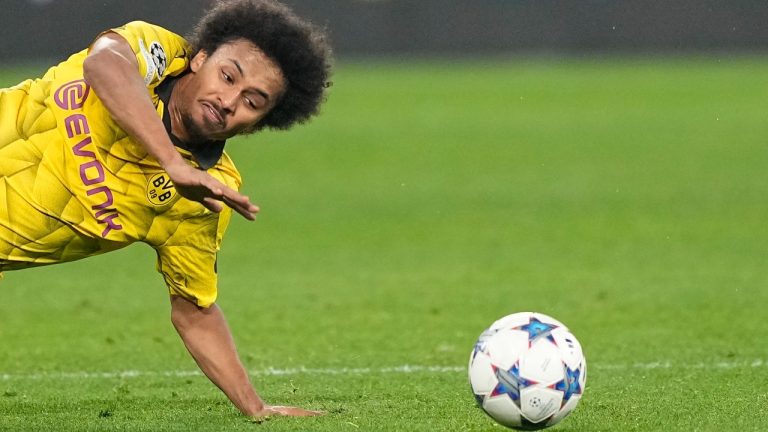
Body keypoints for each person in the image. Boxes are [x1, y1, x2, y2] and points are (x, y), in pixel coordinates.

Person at [0, 0, 331, 420]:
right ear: (201, 57)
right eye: (228, 76)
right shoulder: (156, 52)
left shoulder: (206, 197)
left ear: (257, 125)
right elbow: (104, 63)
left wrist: (256, 407)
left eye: (252, 101)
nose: (229, 100)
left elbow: (194, 311)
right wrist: (170, 161)